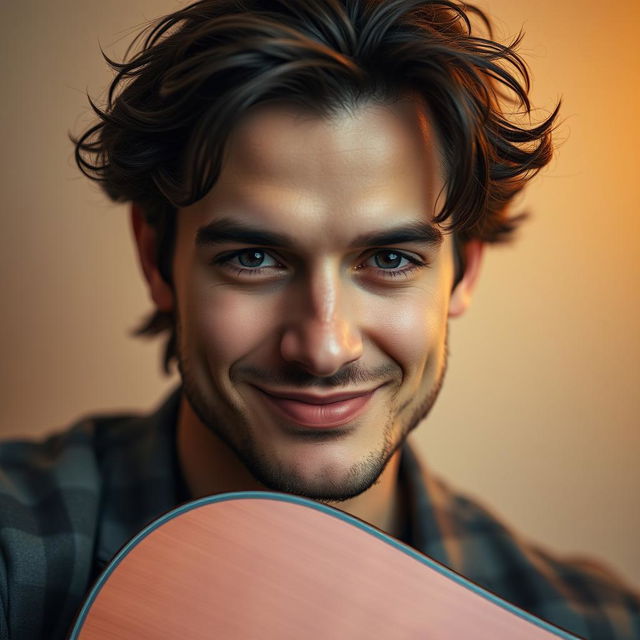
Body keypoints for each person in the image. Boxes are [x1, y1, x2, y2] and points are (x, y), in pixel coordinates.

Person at [0, 0, 638, 638]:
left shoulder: (592, 623)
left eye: (389, 258)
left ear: (464, 273)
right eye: (254, 258)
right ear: (154, 258)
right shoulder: (16, 553)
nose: (325, 348)